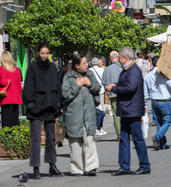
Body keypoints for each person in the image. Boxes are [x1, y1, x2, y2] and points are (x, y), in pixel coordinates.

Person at [105, 47, 151, 176]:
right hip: (127, 109)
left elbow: (130, 88)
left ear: (125, 58)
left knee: (137, 138)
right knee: (124, 139)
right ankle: (124, 167)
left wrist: (114, 89)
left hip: (132, 109)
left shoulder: (133, 70)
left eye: (119, 57)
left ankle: (144, 165)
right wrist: (115, 86)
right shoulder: (128, 70)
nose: (118, 60)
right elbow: (127, 86)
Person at [23, 42, 63, 179]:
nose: (45, 56)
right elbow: (28, 87)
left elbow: (57, 87)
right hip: (36, 107)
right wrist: (31, 104)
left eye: (47, 53)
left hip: (50, 106)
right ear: (38, 53)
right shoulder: (33, 67)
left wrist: (57, 103)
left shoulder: (52, 67)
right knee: (35, 139)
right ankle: (35, 167)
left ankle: (52, 165)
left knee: (51, 138)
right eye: (42, 53)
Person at [62, 55, 101, 176]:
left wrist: (89, 84)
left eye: (86, 63)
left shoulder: (89, 74)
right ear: (76, 65)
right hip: (74, 114)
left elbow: (98, 88)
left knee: (89, 139)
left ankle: (91, 167)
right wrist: (77, 86)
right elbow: (65, 94)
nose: (87, 65)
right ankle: (77, 168)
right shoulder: (68, 76)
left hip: (88, 114)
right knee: (75, 142)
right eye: (84, 63)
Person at [144, 56, 171, 150]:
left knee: (159, 122)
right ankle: (158, 136)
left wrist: (145, 104)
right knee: (167, 121)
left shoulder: (147, 76)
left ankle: (162, 144)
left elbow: (145, 92)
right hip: (164, 100)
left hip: (154, 101)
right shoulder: (163, 74)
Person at [102, 51, 123, 141]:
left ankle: (119, 135)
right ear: (118, 57)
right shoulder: (123, 67)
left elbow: (104, 82)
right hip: (123, 93)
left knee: (116, 115)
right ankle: (128, 134)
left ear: (110, 58)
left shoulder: (107, 69)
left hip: (113, 94)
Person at [0, 51, 23, 128]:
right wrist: (17, 96)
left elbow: (3, 83)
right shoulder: (17, 70)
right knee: (15, 121)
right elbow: (19, 86)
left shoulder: (2, 69)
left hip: (6, 99)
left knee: (6, 123)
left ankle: (7, 139)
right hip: (15, 99)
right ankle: (15, 138)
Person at [89, 57, 107, 136]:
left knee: (93, 110)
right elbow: (104, 80)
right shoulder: (102, 70)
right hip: (101, 91)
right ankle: (100, 127)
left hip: (91, 92)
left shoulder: (89, 71)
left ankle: (94, 127)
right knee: (101, 110)